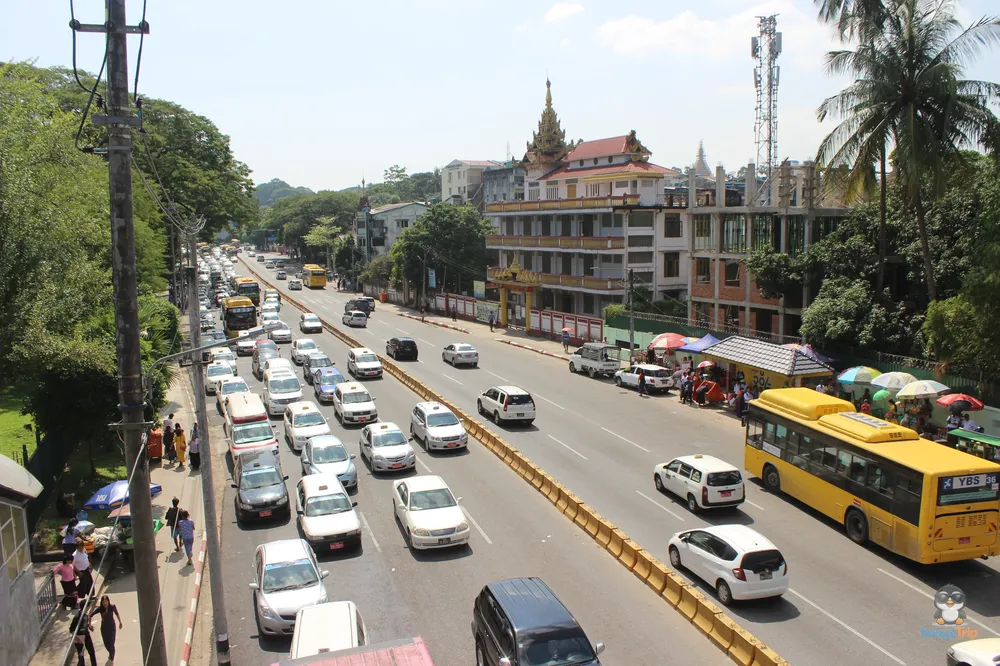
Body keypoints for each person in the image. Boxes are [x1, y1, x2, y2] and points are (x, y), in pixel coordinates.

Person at [90, 595, 122, 663]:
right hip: (104, 628)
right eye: (103, 602)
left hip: (112, 627)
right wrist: (90, 625)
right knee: (106, 644)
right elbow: (90, 615)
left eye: (106, 601)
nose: (105, 603)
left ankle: (112, 659)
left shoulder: (112, 607)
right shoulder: (100, 609)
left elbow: (117, 613)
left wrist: (120, 622)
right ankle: (111, 653)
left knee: (111, 644)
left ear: (108, 601)